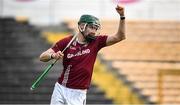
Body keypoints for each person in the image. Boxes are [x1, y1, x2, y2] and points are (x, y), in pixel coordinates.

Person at [39, 5, 125, 105]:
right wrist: (52, 56)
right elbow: (42, 57)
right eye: (91, 27)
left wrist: (122, 16)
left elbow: (120, 36)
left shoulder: (97, 42)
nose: (94, 31)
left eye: (96, 28)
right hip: (61, 89)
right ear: (81, 26)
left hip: (78, 93)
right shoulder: (67, 42)